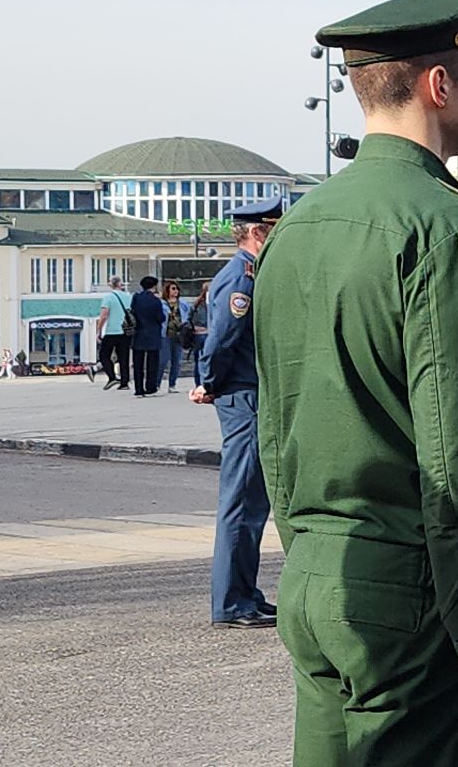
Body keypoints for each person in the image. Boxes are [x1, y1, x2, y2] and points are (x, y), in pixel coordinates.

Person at [256, 0, 458, 764]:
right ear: (440, 83)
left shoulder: (296, 230)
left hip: (319, 575)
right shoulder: (446, 233)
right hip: (412, 600)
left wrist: (307, 554)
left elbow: (277, 431)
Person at [192, 202, 279, 629]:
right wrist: (208, 382)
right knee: (241, 501)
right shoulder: (240, 279)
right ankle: (230, 603)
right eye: (274, 229)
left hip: (251, 395)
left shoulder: (250, 273)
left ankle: (246, 593)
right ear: (257, 233)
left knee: (253, 502)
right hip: (242, 397)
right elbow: (223, 338)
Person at [95, 275, 134, 391]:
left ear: (111, 284)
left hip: (112, 331)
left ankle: (112, 377)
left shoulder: (109, 297)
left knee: (104, 355)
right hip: (126, 331)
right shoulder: (128, 297)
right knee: (124, 358)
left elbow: (104, 315)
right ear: (120, 284)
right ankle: (124, 382)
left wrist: (99, 330)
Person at [129, 276, 166, 397]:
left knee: (138, 363)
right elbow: (161, 318)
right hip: (153, 334)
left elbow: (132, 312)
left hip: (138, 332)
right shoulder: (156, 301)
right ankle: (150, 387)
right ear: (154, 286)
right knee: (152, 363)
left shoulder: (136, 298)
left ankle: (138, 389)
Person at [160, 280, 190, 393]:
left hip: (179, 335)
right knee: (163, 360)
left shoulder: (183, 303)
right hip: (166, 334)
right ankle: (157, 383)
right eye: (173, 289)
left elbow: (188, 315)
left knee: (177, 361)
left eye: (177, 289)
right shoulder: (162, 304)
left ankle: (172, 384)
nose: (175, 291)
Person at [187, 285, 210, 385]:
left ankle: (198, 383)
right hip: (206, 333)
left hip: (197, 334)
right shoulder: (209, 303)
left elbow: (189, 318)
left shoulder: (197, 304)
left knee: (198, 360)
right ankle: (205, 382)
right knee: (206, 360)